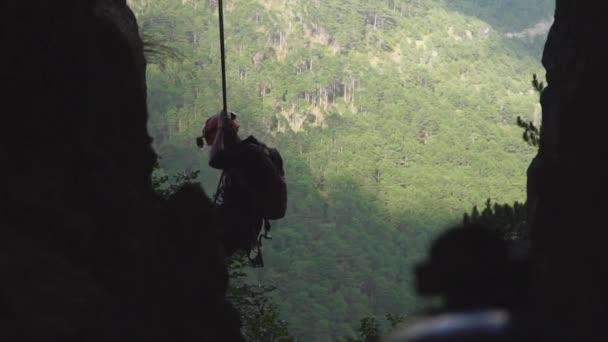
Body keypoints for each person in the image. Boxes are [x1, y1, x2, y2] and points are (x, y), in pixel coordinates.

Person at [199, 111, 286, 266]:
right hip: (249, 226)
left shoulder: (246, 154)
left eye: (219, 142)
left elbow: (214, 159)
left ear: (226, 136)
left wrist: (219, 130)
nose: (220, 147)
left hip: (237, 225)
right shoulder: (261, 150)